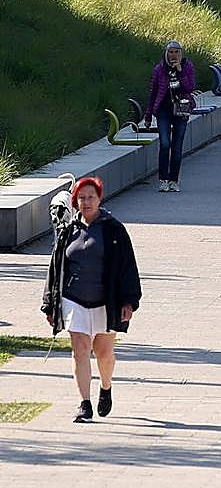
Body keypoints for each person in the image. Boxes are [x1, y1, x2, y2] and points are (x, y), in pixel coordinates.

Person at [41, 176, 141, 423]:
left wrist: (129, 301)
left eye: (91, 197)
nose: (86, 202)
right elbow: (56, 266)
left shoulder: (114, 229)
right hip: (73, 298)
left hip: (107, 300)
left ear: (99, 199)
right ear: (75, 201)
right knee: (80, 349)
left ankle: (106, 387)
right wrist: (50, 303)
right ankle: (84, 404)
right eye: (81, 198)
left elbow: (128, 266)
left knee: (103, 353)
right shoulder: (68, 230)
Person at [145, 39, 196, 192]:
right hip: (164, 111)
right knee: (165, 143)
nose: (174, 55)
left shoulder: (187, 67)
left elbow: (190, 87)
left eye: (177, 52)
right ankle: (163, 179)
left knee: (177, 146)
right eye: (171, 52)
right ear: (166, 54)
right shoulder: (160, 69)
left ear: (181, 54)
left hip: (181, 110)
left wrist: (180, 72)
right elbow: (153, 92)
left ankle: (174, 180)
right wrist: (148, 115)